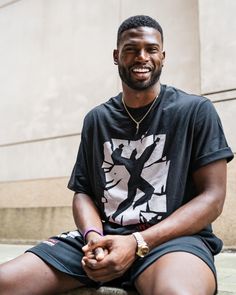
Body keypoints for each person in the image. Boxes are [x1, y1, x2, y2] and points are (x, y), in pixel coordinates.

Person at [0, 15, 234, 295]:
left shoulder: (195, 111)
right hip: (104, 239)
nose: (142, 57)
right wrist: (94, 237)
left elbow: (212, 199)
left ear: (163, 55)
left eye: (151, 49)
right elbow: (83, 192)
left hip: (172, 241)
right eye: (131, 49)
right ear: (116, 56)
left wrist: (137, 242)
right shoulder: (97, 119)